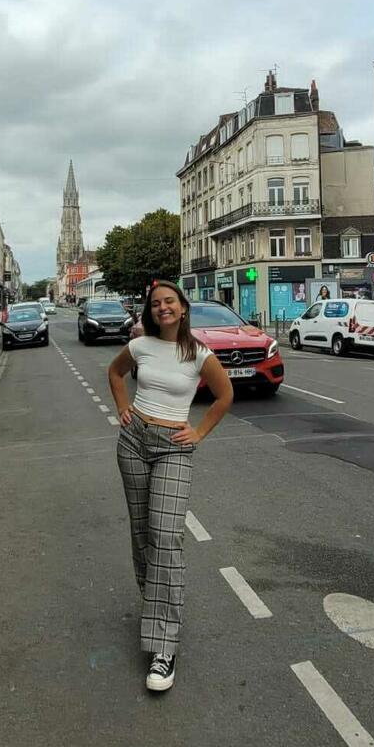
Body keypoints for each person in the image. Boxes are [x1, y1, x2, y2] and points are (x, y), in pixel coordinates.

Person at [107, 281, 234, 693]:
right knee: (141, 530)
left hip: (173, 449)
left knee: (165, 535)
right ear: (151, 311)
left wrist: (198, 433)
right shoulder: (141, 345)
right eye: (156, 303)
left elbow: (224, 395)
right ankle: (156, 601)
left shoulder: (198, 354)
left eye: (169, 302)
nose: (162, 308)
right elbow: (114, 372)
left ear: (183, 309)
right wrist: (123, 407)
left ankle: (164, 646)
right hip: (134, 441)